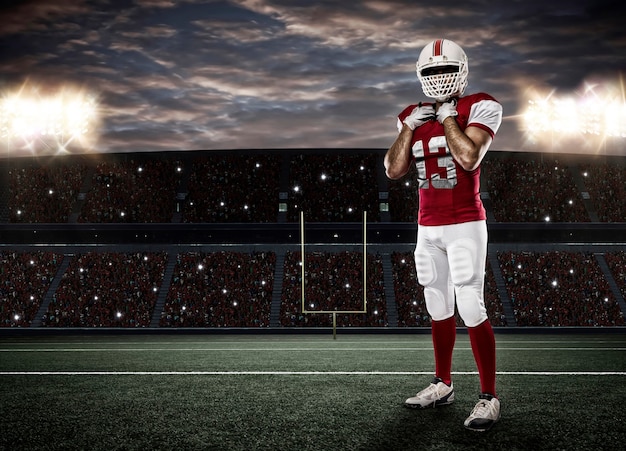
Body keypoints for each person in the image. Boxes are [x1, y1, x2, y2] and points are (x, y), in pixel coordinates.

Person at [384, 38, 503, 432]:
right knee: (436, 302)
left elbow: (468, 157)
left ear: (463, 71)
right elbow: (393, 169)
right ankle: (443, 383)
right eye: (431, 72)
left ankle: (488, 397)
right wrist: (408, 128)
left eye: (445, 70)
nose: (439, 78)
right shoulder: (411, 115)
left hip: (466, 221)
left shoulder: (482, 106)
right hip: (427, 224)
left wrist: (449, 118)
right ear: (420, 76)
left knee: (471, 305)